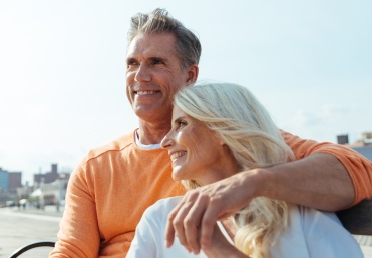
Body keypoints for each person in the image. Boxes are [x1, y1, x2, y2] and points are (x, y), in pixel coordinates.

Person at [49, 8, 372, 258]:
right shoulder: (96, 167)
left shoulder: (238, 140)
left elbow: (356, 171)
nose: (140, 76)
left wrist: (250, 182)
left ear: (190, 75)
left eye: (156, 62)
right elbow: (72, 251)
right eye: (132, 63)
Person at [127, 82, 363, 258]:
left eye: (181, 124)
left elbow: (357, 167)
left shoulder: (303, 216)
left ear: (222, 130)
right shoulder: (159, 219)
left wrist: (222, 251)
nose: (166, 141)